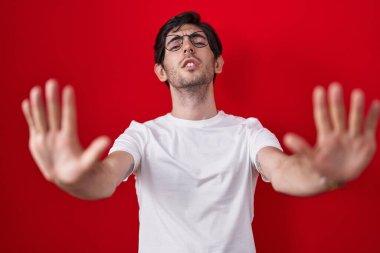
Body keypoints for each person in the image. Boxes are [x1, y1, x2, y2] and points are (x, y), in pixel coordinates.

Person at [21, 11, 379, 253]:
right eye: (174, 45)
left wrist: (323, 175)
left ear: (218, 62)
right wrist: (69, 179)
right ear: (162, 71)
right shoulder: (142, 135)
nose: (187, 46)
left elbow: (284, 172)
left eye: (198, 40)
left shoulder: (247, 132)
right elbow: (102, 179)